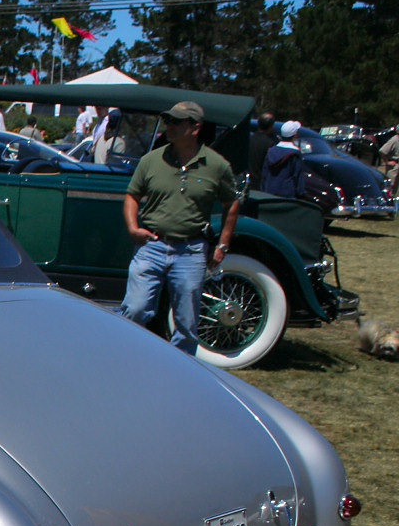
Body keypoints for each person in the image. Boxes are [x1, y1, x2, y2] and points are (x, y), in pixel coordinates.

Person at [121, 100, 239, 357]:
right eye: (168, 121)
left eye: (176, 121)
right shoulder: (151, 160)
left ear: (195, 127)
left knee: (186, 323)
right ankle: (127, 359)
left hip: (191, 249)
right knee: (135, 310)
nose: (169, 126)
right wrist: (133, 228)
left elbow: (232, 201)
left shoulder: (217, 165)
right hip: (151, 245)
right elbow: (132, 196)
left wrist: (222, 245)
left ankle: (181, 370)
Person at [261, 120, 306, 199]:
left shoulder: (271, 150)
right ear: (295, 134)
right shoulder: (294, 153)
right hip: (287, 195)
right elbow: (297, 176)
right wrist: (301, 194)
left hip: (269, 193)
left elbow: (264, 173)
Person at [249, 112, 277, 180]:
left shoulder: (249, 139)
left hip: (248, 179)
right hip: (261, 182)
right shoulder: (271, 144)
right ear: (271, 126)